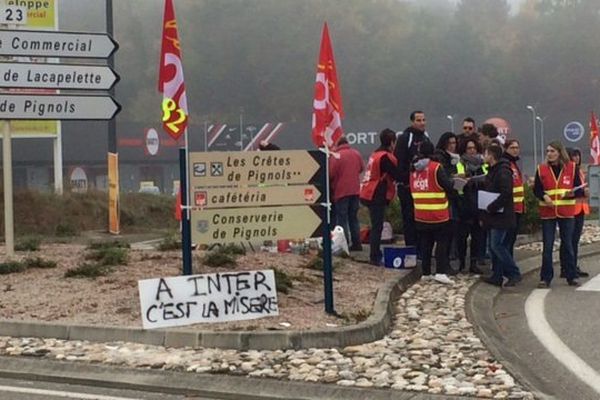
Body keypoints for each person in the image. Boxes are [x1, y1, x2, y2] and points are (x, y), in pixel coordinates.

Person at [534, 141, 583, 288]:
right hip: (548, 212)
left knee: (567, 244)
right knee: (547, 246)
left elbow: (578, 189)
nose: (549, 154)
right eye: (548, 151)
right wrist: (544, 197)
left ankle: (571, 275)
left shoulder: (572, 168)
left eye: (552, 151)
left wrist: (574, 193)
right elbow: (536, 189)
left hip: (566, 212)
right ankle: (545, 278)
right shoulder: (541, 169)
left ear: (559, 153)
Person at [410, 140, 456, 284]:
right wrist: (454, 182)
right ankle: (441, 272)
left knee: (425, 244)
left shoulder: (413, 169)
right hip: (438, 214)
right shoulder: (435, 168)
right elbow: (448, 185)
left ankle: (426, 272)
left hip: (420, 214)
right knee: (442, 244)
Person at [476, 144, 521, 287]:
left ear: (491, 155)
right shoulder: (493, 170)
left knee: (497, 245)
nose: (484, 156)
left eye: (486, 153)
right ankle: (497, 275)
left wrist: (492, 206)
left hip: (501, 215)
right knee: (492, 245)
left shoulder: (503, 171)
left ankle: (514, 273)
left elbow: (506, 192)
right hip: (493, 215)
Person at [360, 129, 402, 265]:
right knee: (377, 226)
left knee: (376, 225)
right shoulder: (385, 157)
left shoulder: (375, 154)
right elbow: (396, 174)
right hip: (376, 194)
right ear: (392, 142)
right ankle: (374, 256)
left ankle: (375, 254)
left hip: (367, 191)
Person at [393, 111, 432, 251]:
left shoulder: (426, 137)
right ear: (412, 122)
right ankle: (411, 248)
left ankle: (423, 249)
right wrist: (405, 180)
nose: (422, 123)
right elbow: (399, 161)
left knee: (422, 219)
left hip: (423, 187)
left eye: (424, 119)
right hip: (407, 186)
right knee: (409, 218)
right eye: (418, 120)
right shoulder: (406, 137)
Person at [330, 136, 365, 251]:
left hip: (341, 192)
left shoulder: (336, 156)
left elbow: (330, 174)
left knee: (342, 219)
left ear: (338, 144)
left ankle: (344, 245)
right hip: (355, 191)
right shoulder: (356, 153)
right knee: (353, 218)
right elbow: (361, 168)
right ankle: (357, 244)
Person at [455, 137, 485, 274]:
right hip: (464, 203)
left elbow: (488, 177)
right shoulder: (460, 163)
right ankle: (461, 262)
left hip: (480, 203)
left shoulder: (483, 164)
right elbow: (455, 183)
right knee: (461, 236)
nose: (472, 150)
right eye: (469, 148)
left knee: (477, 236)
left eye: (474, 148)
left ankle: (474, 263)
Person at [563, 148, 590, 278]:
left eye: (578, 155)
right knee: (569, 240)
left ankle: (573, 266)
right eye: (574, 156)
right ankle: (567, 268)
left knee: (574, 241)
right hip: (571, 208)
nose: (577, 158)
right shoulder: (568, 171)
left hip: (580, 208)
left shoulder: (579, 171)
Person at [502, 139, 525, 258]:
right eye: (512, 147)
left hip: (518, 208)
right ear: (506, 149)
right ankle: (508, 269)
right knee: (506, 242)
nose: (515, 150)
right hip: (510, 209)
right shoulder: (506, 163)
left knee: (511, 241)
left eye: (517, 147)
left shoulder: (514, 163)